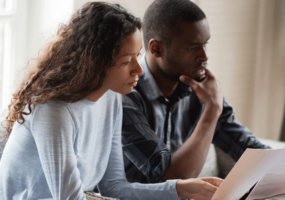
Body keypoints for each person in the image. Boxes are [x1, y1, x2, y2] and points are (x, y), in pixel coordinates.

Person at [0, 2, 223, 200]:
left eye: (138, 56)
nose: (139, 70)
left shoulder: (113, 98)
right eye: (127, 61)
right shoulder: (52, 111)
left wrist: (179, 189)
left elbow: (114, 188)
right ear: (95, 62)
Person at [122, 0, 270, 184]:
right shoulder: (126, 94)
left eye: (205, 44)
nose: (205, 56)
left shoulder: (198, 88)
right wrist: (212, 109)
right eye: (192, 48)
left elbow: (246, 146)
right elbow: (170, 179)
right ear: (156, 48)